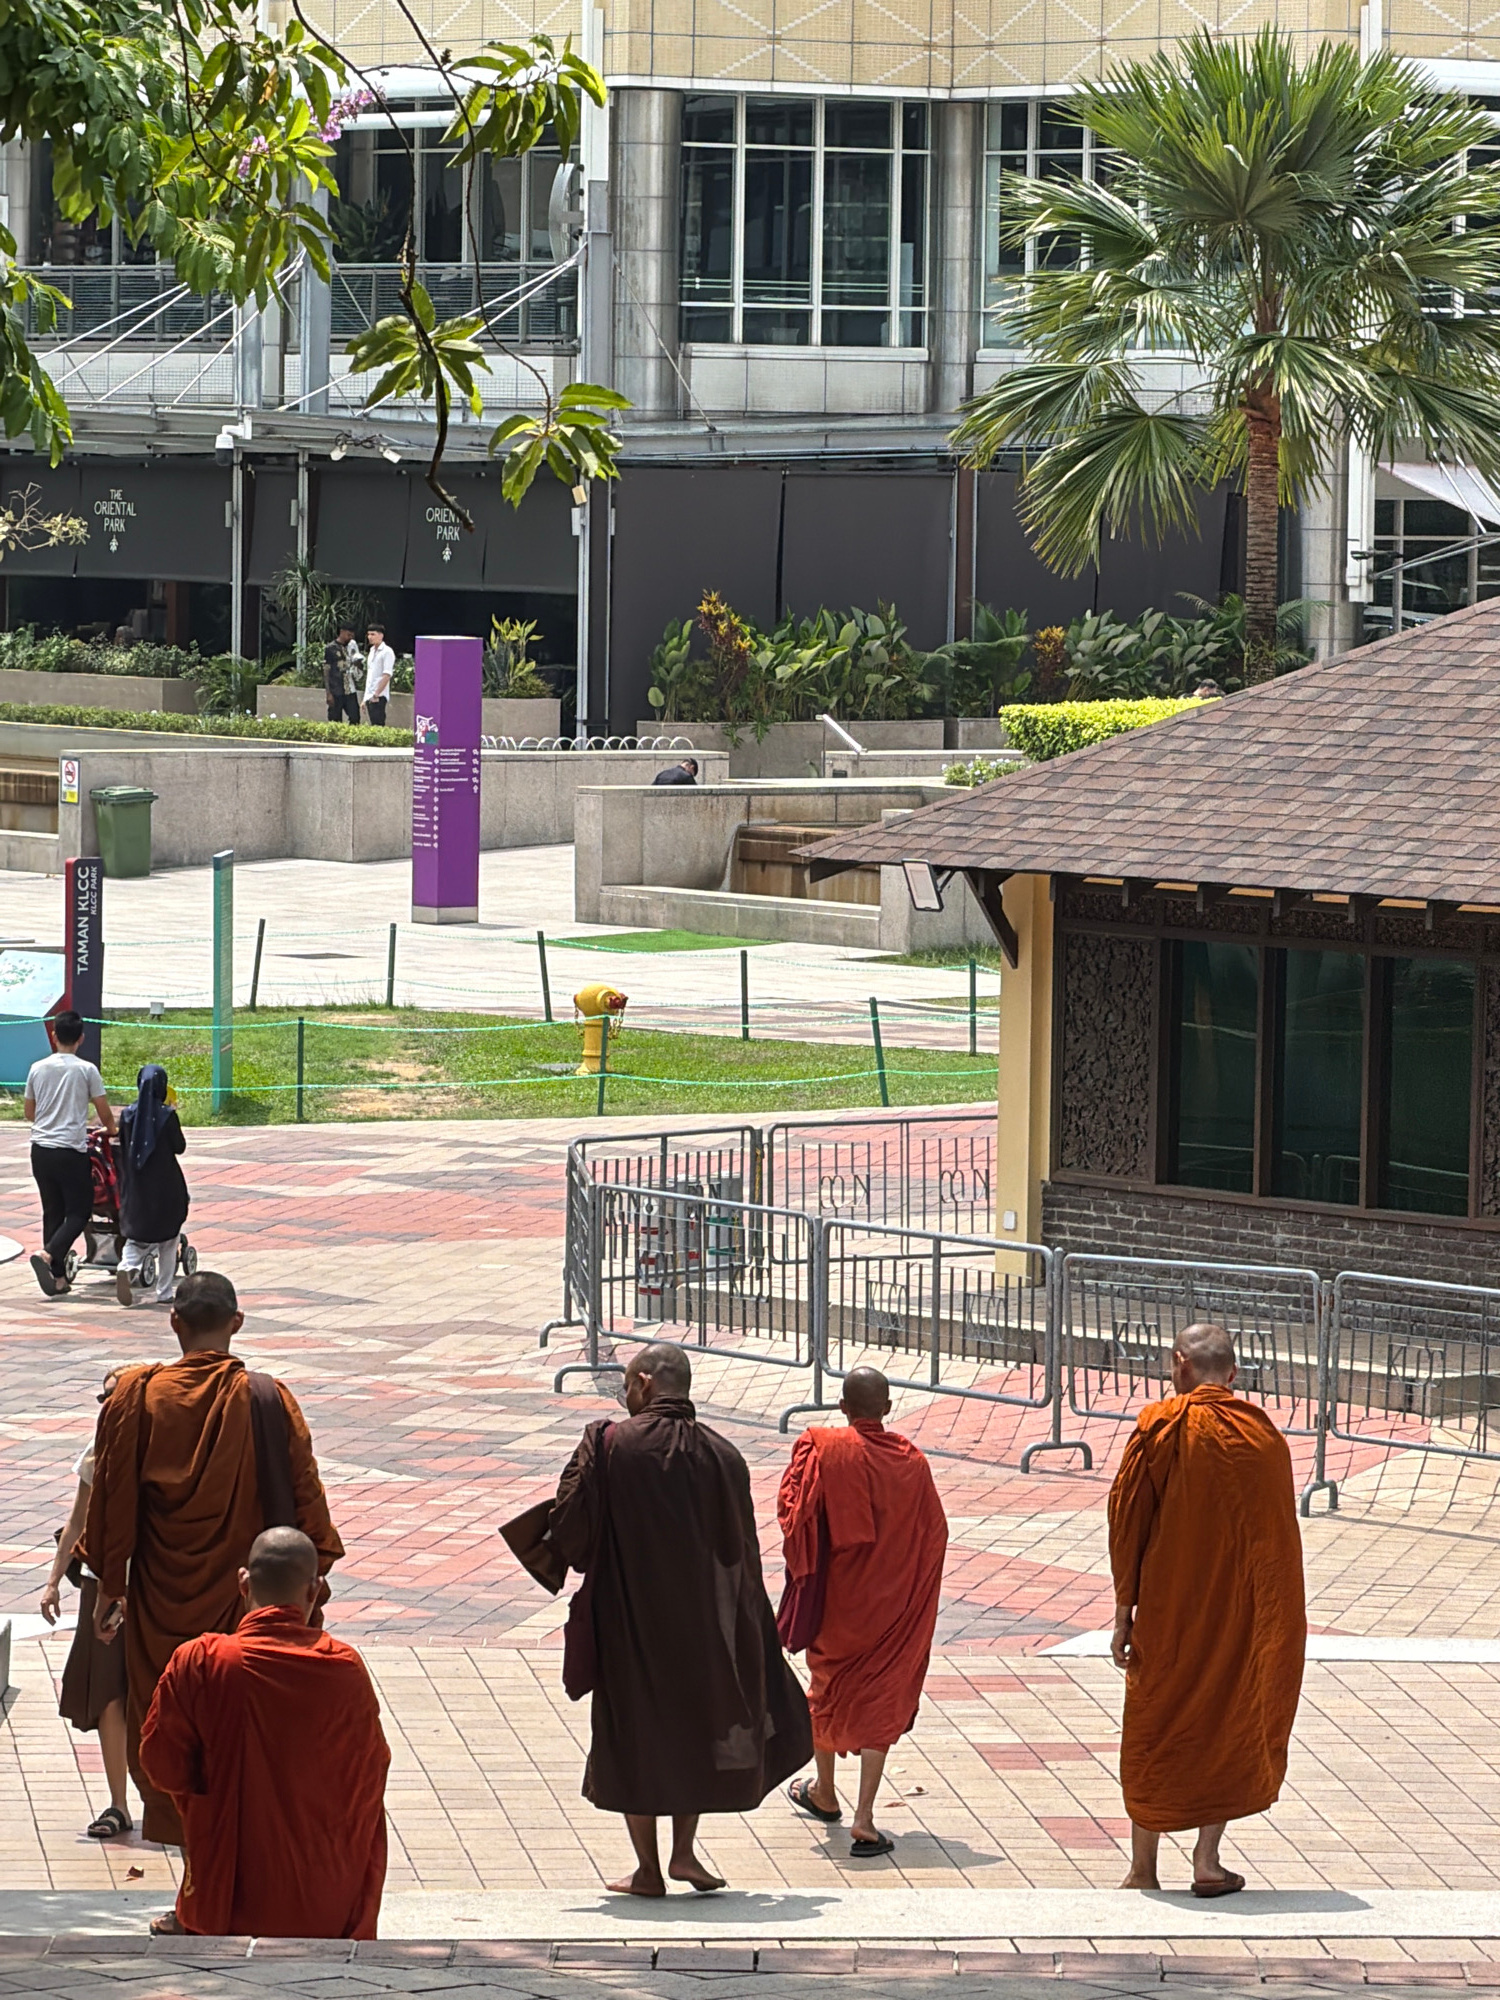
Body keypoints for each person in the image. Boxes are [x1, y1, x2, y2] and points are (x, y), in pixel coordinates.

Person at [503, 1340, 811, 1898]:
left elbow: (572, 1530)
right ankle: (684, 1854)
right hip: (703, 1625)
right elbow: (740, 1554)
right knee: (695, 1728)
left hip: (630, 1617)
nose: (625, 1396)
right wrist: (748, 1633)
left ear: (644, 1383)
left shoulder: (612, 1445)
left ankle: (647, 1869)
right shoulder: (725, 1456)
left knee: (635, 1733)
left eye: (626, 1385)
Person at [83, 1270, 343, 1847]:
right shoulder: (269, 1399)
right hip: (244, 1600)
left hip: (158, 1603)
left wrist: (110, 1587)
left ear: (174, 1322)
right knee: (243, 1718)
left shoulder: (139, 1396)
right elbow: (308, 1502)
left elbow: (112, 1502)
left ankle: (185, 1835)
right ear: (237, 1323)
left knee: (167, 1713)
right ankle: (237, 1834)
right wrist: (309, 1586)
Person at [1110, 1321, 1306, 1896]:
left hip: (1171, 1612)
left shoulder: (1161, 1427)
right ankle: (1207, 1859)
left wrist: (1124, 1611)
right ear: (1235, 1374)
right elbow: (1276, 1539)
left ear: (1180, 1364)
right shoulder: (1263, 1437)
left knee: (1156, 1723)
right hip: (1244, 1616)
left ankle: (1143, 1868)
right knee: (1229, 1717)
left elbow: (1128, 1521)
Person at [140, 1527, 389, 1940]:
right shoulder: (344, 1668)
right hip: (327, 1907)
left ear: (243, 1583)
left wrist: (216, 1800)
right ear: (315, 1590)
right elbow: (367, 1777)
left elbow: (161, 1764)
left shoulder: (202, 1662)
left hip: (226, 1901)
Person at [778, 1367, 947, 1857]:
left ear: (843, 1407)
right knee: (882, 1696)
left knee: (826, 1687)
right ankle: (865, 1817)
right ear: (888, 1408)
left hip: (839, 1600)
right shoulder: (911, 1461)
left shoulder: (823, 1451)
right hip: (892, 1603)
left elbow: (795, 1517)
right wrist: (913, 1588)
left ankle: (825, 1792)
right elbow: (935, 1533)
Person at [41, 1366, 132, 1839]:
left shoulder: (167, 1449)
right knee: (109, 1694)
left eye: (118, 1398)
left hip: (155, 1585)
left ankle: (171, 1804)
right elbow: (78, 1521)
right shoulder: (97, 1453)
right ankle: (119, 1805)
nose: (109, 1406)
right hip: (102, 1582)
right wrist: (53, 1582)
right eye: (104, 1399)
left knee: (159, 1689)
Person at [25, 1008, 116, 1297]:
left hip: (40, 1150)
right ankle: (48, 1254)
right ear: (81, 1038)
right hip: (70, 1151)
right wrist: (112, 1129)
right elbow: (103, 1110)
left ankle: (59, 1279)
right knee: (78, 1211)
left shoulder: (37, 1068)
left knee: (52, 1211)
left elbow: (29, 1112)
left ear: (53, 1036)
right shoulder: (86, 1070)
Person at [115, 1064, 189, 1308]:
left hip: (135, 1187)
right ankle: (164, 1291)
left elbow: (123, 1143)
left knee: (135, 1238)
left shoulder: (127, 1115)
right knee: (169, 1240)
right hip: (166, 1186)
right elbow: (179, 1147)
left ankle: (127, 1266)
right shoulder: (166, 1115)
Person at [323, 622, 360, 725]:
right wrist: (328, 693)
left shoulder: (351, 647)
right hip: (336, 689)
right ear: (342, 632)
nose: (350, 638)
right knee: (335, 719)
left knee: (355, 717)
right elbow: (326, 670)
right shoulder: (330, 648)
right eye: (348, 635)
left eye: (352, 636)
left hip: (349, 689)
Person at [363, 622, 394, 727]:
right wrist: (365, 698)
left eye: (373, 634)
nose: (370, 637)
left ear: (381, 635)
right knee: (373, 724)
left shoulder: (387, 652)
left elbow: (387, 675)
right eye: (368, 634)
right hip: (370, 695)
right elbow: (370, 676)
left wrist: (376, 694)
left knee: (378, 723)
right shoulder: (371, 651)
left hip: (379, 695)